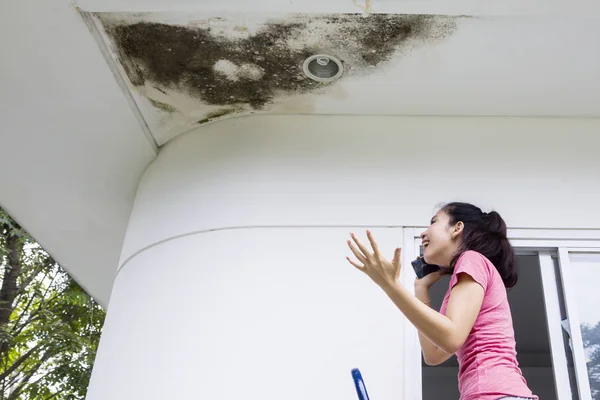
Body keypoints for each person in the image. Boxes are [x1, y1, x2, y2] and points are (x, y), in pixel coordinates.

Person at [345, 202, 538, 400]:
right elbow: (433, 354)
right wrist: (420, 290)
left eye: (433, 222)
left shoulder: (472, 259)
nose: (423, 234)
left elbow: (451, 337)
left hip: (496, 393)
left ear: (457, 228)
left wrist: (390, 285)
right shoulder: (467, 275)